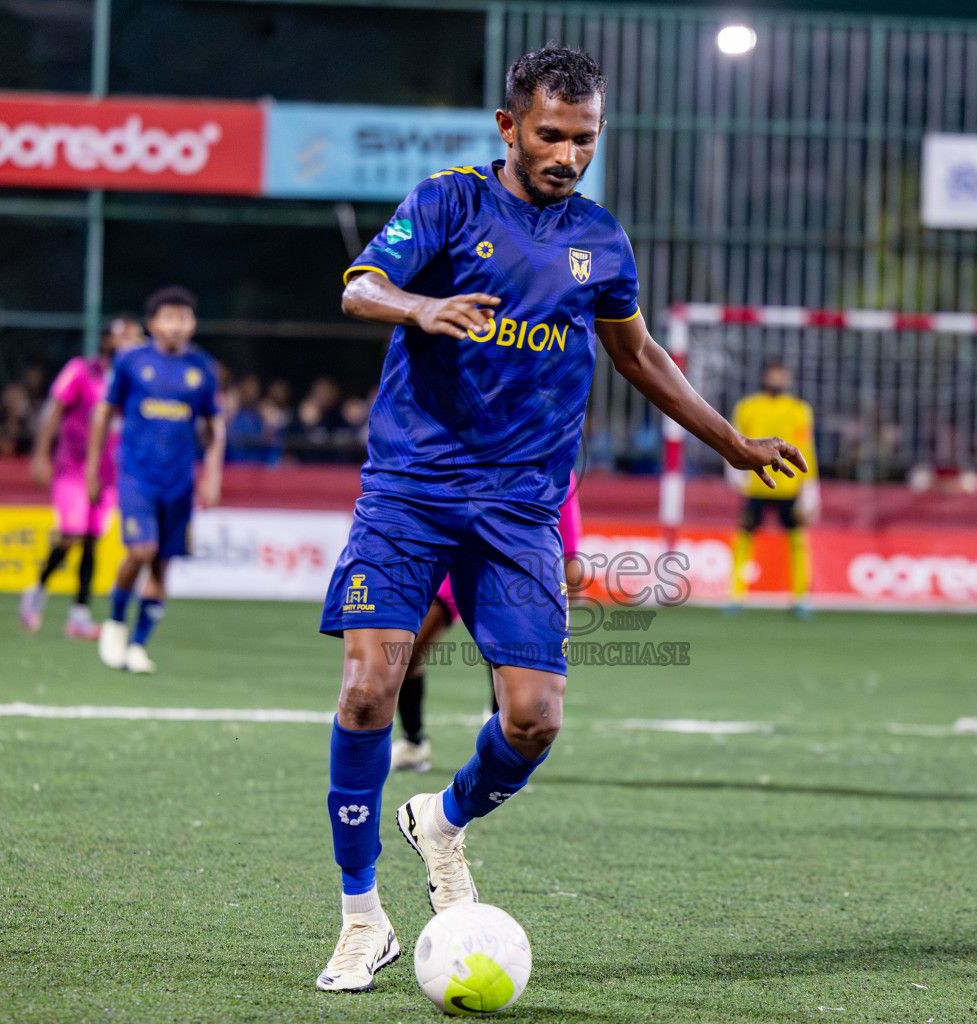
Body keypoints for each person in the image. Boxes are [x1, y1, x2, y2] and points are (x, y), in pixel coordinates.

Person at [314, 45, 807, 993]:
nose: (568, 154)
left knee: (535, 720)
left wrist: (731, 442)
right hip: (411, 492)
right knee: (368, 690)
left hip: (519, 511)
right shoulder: (449, 202)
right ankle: (361, 916)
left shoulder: (602, 242)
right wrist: (417, 307)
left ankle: (443, 821)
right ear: (510, 128)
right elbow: (358, 285)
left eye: (585, 138)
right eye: (550, 134)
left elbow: (641, 356)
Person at [391, 473, 585, 773]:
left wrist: (569, 568)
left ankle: (502, 753)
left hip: (511, 561)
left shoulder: (551, 450)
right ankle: (413, 741)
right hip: (453, 553)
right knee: (408, 648)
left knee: (507, 657)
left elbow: (567, 519)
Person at [86, 288, 224, 675]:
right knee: (141, 551)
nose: (176, 325)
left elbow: (215, 425)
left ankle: (138, 645)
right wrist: (92, 469)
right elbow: (103, 414)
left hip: (179, 481)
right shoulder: (131, 362)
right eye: (168, 317)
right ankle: (114, 622)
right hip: (136, 476)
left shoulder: (203, 369)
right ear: (152, 324)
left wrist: (212, 474)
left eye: (184, 317)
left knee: (162, 566)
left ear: (193, 324)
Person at [20, 317, 141, 639]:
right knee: (71, 533)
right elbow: (53, 410)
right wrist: (40, 455)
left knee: (91, 540)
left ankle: (79, 615)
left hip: (108, 474)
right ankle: (38, 589)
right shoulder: (81, 371)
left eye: (134, 337)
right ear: (106, 341)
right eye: (123, 336)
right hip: (72, 468)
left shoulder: (136, 382)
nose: (129, 342)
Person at [728, 362, 820, 615]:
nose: (776, 379)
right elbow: (733, 439)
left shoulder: (799, 409)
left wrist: (810, 486)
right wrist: (733, 471)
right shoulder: (748, 407)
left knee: (798, 542)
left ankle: (800, 598)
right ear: (764, 376)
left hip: (789, 487)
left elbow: (807, 448)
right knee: (743, 539)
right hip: (754, 485)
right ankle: (736, 596)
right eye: (773, 374)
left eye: (781, 375)